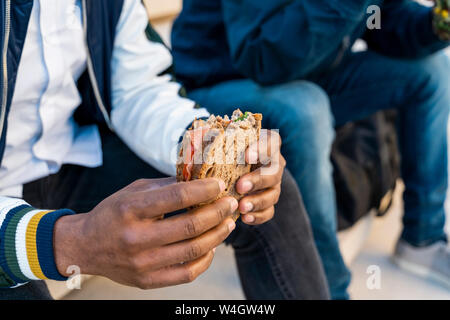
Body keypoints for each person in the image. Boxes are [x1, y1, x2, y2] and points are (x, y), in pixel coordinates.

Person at [0, 0, 330, 300]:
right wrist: (64, 242)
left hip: (68, 157)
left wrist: (202, 144)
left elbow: (136, 86)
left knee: (259, 183)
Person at [171, 0, 450, 299]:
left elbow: (384, 22)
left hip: (305, 70)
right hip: (219, 80)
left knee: (431, 70)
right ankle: (328, 290)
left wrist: (434, 24)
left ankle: (422, 238)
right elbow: (261, 56)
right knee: (307, 109)